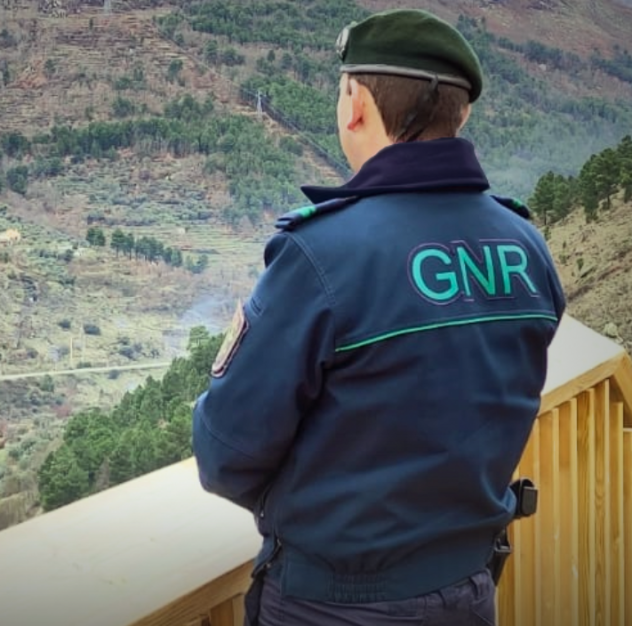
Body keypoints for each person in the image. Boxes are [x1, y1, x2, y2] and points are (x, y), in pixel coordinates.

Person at [191, 8, 567, 626]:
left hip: (331, 605)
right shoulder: (524, 244)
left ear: (356, 105)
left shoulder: (321, 254)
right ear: (461, 116)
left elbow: (226, 453)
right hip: (468, 593)